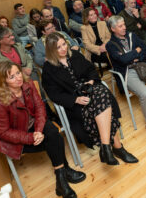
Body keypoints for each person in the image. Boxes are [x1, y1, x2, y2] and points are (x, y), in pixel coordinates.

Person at [0, 61, 86, 198]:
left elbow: (40, 108)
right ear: (3, 81)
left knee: (53, 134)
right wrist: (31, 137)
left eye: (18, 73)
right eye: (12, 77)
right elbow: (4, 133)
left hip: (35, 126)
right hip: (18, 138)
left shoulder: (28, 86)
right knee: (54, 139)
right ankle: (65, 172)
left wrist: (39, 130)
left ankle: (61, 178)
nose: (18, 77)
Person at [42, 33, 138, 164]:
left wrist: (91, 82)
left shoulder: (75, 55)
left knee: (102, 95)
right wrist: (75, 100)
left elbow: (91, 69)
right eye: (58, 47)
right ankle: (116, 148)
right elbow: (54, 94)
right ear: (52, 50)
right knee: (104, 103)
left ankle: (106, 148)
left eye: (64, 44)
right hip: (75, 100)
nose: (63, 48)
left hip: (92, 89)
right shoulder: (48, 69)